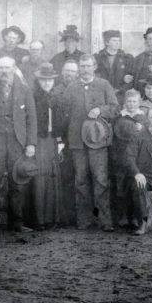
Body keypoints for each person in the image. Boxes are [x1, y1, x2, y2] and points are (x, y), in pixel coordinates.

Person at [0, 56, 37, 234]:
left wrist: (30, 143)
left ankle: (17, 222)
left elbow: (31, 118)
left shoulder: (24, 90)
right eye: (1, 68)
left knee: (17, 182)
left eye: (7, 68)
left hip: (16, 141)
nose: (4, 71)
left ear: (14, 68)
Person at [62, 54, 118, 231]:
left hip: (98, 140)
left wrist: (100, 110)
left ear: (94, 67)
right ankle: (84, 220)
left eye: (88, 66)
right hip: (77, 141)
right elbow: (64, 112)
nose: (85, 69)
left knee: (101, 180)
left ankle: (105, 220)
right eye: (82, 66)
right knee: (81, 180)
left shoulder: (103, 85)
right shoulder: (71, 87)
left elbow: (115, 108)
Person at [29, 62, 65, 229]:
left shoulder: (56, 98)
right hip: (38, 141)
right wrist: (32, 143)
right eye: (43, 80)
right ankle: (39, 219)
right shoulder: (33, 97)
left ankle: (53, 218)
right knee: (39, 179)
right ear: (39, 81)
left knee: (53, 177)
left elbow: (60, 122)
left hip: (52, 141)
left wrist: (59, 142)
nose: (46, 83)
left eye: (49, 80)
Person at [110, 89, 147, 228]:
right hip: (120, 154)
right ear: (125, 103)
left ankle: (136, 216)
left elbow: (145, 135)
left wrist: (141, 129)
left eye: (134, 101)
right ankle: (123, 215)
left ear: (139, 102)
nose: (131, 104)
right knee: (120, 185)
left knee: (134, 184)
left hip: (136, 156)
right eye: (129, 102)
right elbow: (116, 134)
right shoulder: (119, 117)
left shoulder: (143, 117)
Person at [95, 29, 134, 99]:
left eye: (119, 41)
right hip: (102, 94)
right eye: (114, 41)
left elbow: (130, 80)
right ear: (107, 42)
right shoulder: (98, 58)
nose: (117, 43)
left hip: (120, 95)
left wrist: (120, 90)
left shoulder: (127, 58)